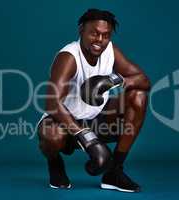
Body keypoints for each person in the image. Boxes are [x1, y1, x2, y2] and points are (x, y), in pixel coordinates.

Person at [37, 8, 151, 192]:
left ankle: (114, 172)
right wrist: (88, 139)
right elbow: (52, 104)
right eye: (94, 33)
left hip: (98, 118)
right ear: (81, 30)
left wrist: (114, 79)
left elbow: (144, 81)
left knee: (138, 96)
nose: (100, 40)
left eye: (105, 35)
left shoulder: (111, 51)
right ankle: (54, 163)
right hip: (65, 122)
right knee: (52, 136)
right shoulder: (68, 57)